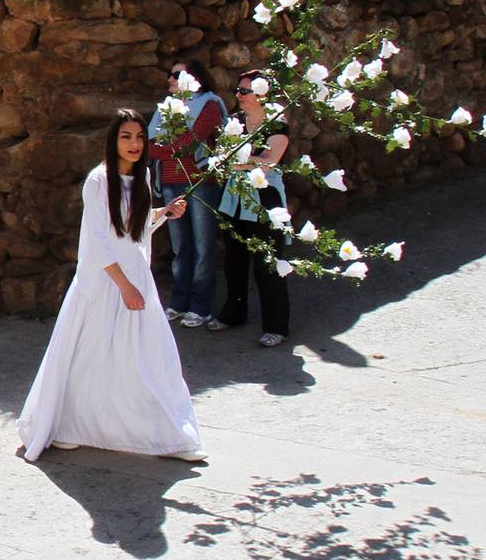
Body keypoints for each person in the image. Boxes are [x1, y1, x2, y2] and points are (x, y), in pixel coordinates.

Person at [17, 110, 205, 462]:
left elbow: (132, 227)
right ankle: (67, 425)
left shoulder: (143, 176)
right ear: (113, 140)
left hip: (135, 275)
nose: (135, 144)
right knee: (88, 356)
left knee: (152, 357)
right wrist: (124, 286)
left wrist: (164, 212)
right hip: (104, 281)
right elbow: (98, 239)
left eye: (139, 137)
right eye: (126, 137)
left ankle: (169, 436)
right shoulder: (98, 181)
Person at [214, 70, 292, 348]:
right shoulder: (234, 122)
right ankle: (233, 313)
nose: (239, 95)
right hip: (235, 195)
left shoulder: (276, 124)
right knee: (234, 257)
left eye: (245, 91)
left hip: (264, 196)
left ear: (262, 94)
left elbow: (270, 161)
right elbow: (222, 153)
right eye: (238, 90)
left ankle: (276, 325)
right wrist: (244, 160)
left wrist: (240, 161)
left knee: (267, 262)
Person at [150, 60, 226, 329]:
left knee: (204, 247)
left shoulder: (209, 104)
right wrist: (169, 148)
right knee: (180, 247)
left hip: (200, 182)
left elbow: (193, 140)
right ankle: (179, 302)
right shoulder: (165, 108)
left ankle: (201, 306)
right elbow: (149, 145)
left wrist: (167, 147)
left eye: (176, 75)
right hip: (171, 183)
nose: (169, 79)